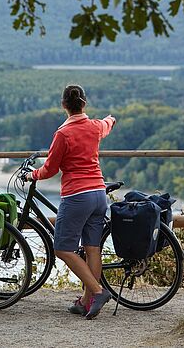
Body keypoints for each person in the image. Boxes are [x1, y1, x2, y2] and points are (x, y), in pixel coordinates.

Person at [24, 85, 116, 320]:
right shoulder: (95, 126)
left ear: (64, 105)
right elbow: (107, 124)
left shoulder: (63, 133)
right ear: (84, 103)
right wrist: (111, 119)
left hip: (77, 195)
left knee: (63, 248)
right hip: (98, 193)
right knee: (91, 248)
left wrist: (31, 175)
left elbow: (50, 169)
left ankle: (97, 292)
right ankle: (86, 302)